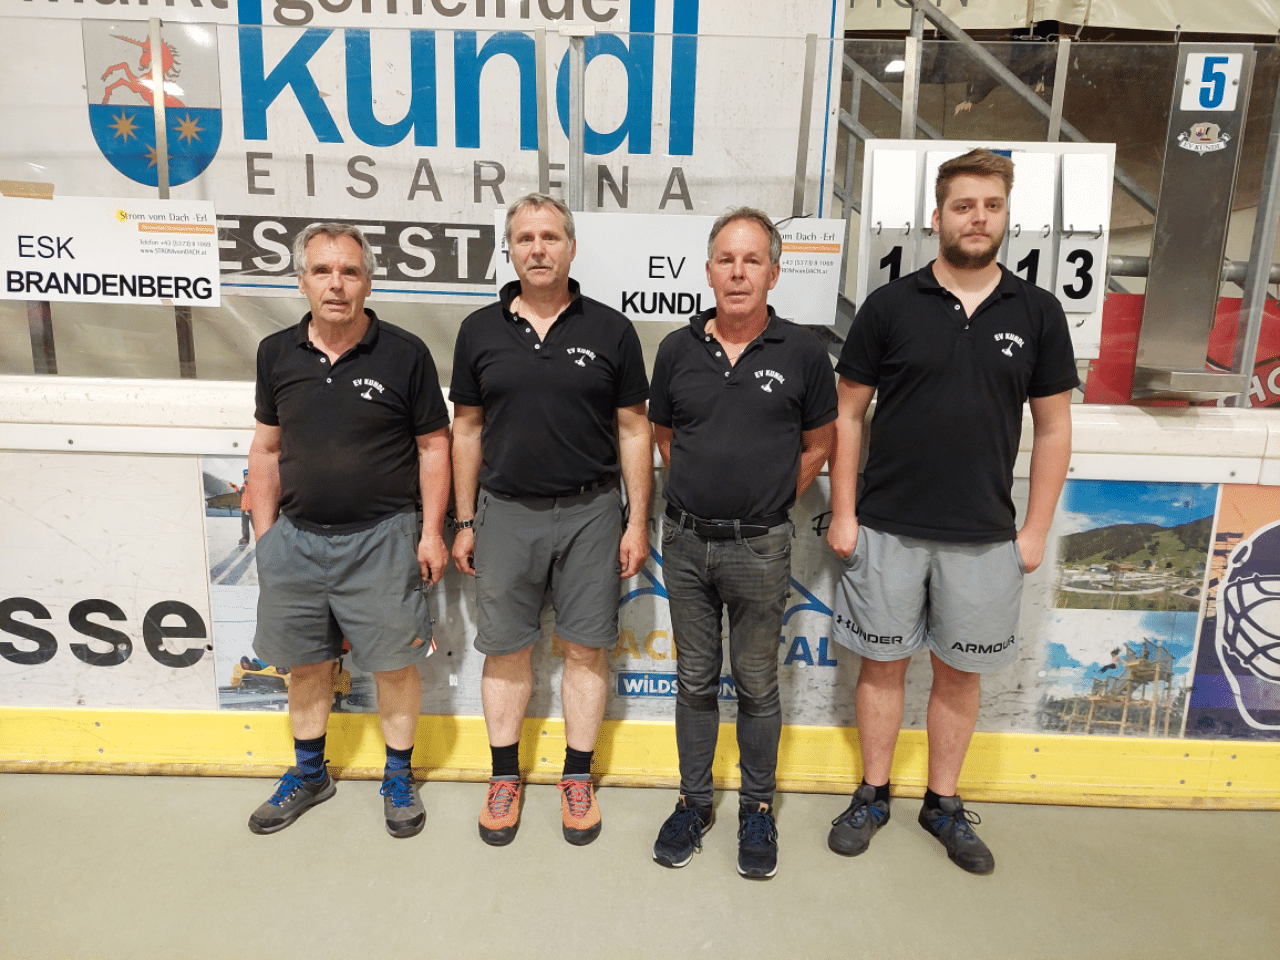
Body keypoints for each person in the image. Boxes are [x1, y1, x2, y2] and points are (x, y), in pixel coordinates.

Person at [826, 148, 1076, 875]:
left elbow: (1054, 429)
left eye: (991, 206)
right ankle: (873, 794)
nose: (977, 218)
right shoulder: (889, 306)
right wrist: (844, 512)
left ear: (1007, 216)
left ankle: (942, 803)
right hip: (886, 529)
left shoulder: (1037, 312)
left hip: (985, 537)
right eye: (963, 206)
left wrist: (1034, 531)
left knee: (960, 676)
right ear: (936, 216)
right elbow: (848, 415)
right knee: (882, 667)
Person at [450, 193, 651, 847]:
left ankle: (577, 778)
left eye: (550, 237)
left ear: (571, 247)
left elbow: (633, 430)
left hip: (593, 513)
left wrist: (636, 522)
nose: (538, 249)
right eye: (525, 238)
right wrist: (463, 520)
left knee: (587, 649)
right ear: (509, 250)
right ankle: (504, 778)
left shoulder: (612, 330)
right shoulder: (479, 330)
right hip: (505, 513)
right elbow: (466, 429)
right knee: (506, 650)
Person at [245, 223, 451, 839]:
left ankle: (398, 778)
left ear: (368, 282)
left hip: (384, 540)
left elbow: (434, 447)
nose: (336, 284)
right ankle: (311, 774)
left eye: (350, 272)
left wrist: (431, 533)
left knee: (393, 667)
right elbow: (265, 450)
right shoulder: (275, 353)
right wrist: (266, 537)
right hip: (296, 542)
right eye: (322, 271)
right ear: (301, 281)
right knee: (308, 666)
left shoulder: (405, 353)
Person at [648, 207, 837, 879]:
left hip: (761, 547)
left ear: (774, 274)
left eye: (752, 260)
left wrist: (768, 501)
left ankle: (757, 807)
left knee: (757, 683)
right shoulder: (675, 351)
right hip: (686, 542)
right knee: (694, 680)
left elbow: (819, 444)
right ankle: (694, 803)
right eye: (726, 260)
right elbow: (665, 438)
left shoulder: (804, 353)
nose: (737, 272)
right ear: (707, 271)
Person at [238, 469, 252, 545]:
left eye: (248, 476)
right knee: (244, 525)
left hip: (251, 510)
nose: (247, 478)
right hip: (244, 509)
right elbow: (241, 497)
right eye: (246, 477)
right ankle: (245, 538)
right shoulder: (243, 487)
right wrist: (236, 490)